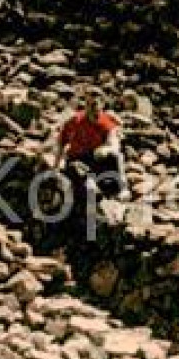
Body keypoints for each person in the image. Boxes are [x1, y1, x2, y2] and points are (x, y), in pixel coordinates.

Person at [52, 88, 128, 243]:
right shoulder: (74, 121)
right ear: (85, 104)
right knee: (80, 177)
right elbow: (60, 143)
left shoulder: (107, 122)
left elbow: (114, 144)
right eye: (89, 104)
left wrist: (106, 149)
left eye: (95, 104)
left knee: (116, 157)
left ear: (102, 104)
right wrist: (56, 165)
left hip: (95, 158)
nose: (92, 107)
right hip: (77, 159)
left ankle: (121, 189)